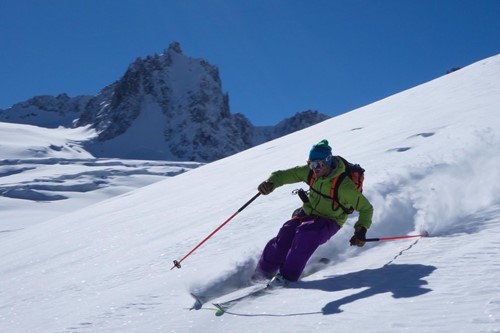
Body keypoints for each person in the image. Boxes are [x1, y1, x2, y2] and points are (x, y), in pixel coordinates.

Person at [254, 139, 373, 287]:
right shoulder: (310, 172)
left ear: (328, 161)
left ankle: (286, 278)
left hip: (330, 220)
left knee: (305, 235)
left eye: (317, 164)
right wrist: (270, 183)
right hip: (308, 213)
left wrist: (361, 230)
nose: (314, 168)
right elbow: (282, 175)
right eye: (310, 163)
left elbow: (366, 208)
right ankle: (262, 273)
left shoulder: (344, 187)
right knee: (286, 233)